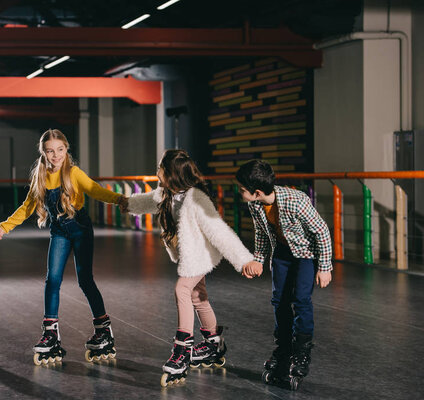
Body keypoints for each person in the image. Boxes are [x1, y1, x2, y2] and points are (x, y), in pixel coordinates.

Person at [0, 128, 128, 365]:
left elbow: (95, 189)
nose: (56, 155)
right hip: (59, 232)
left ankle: (103, 329)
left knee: (85, 279)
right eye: (50, 151)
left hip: (80, 229)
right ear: (43, 153)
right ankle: (50, 334)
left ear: (66, 149)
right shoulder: (40, 177)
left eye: (60, 150)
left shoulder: (73, 173)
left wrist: (120, 199)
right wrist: (3, 228)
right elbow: (27, 207)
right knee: (52, 280)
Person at [125, 149, 260, 387]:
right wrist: (127, 204)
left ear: (172, 174)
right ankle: (213, 343)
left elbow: (219, 230)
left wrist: (243, 260)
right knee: (198, 296)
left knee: (182, 291)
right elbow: (149, 200)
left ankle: (182, 350)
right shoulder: (167, 193)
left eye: (161, 168)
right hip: (190, 253)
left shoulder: (196, 198)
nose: (157, 172)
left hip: (200, 254)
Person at [235, 159, 332, 390]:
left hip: (305, 254)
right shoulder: (256, 205)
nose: (239, 192)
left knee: (301, 300)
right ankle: (284, 348)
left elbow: (321, 230)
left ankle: (301, 352)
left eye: (242, 189)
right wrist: (258, 260)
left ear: (256, 192)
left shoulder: (296, 201)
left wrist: (325, 266)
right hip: (281, 252)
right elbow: (261, 234)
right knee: (279, 300)